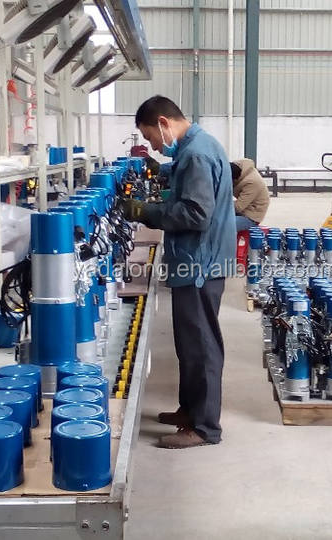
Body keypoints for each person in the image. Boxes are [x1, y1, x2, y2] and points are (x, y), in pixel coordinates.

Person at [120, 95, 235, 449]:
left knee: (201, 345)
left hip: (200, 264)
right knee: (189, 343)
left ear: (164, 123)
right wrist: (159, 174)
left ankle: (205, 428)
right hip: (196, 260)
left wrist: (145, 212)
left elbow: (196, 214)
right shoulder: (194, 148)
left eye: (151, 137)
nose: (155, 146)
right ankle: (189, 411)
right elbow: (184, 183)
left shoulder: (197, 154)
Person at [230, 158, 269, 231]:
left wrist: (221, 206)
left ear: (234, 179)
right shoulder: (237, 167)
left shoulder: (252, 182)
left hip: (251, 216)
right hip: (243, 209)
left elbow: (238, 207)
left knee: (225, 225)